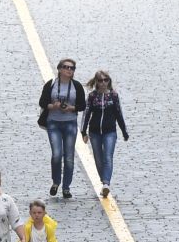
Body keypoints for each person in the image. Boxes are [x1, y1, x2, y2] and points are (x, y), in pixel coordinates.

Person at [37, 58, 85, 200]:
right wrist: (54, 106)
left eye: (72, 68)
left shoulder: (76, 86)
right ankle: (56, 182)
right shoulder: (51, 84)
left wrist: (71, 108)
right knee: (57, 154)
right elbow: (42, 102)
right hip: (54, 123)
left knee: (69, 157)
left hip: (70, 123)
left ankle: (66, 187)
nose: (69, 70)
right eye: (66, 67)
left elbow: (82, 105)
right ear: (59, 69)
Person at [81, 71, 130, 198]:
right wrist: (83, 131)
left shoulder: (113, 96)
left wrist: (124, 131)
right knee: (98, 158)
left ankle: (106, 184)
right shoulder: (92, 96)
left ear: (109, 81)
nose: (103, 83)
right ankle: (104, 182)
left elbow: (119, 113)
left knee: (108, 157)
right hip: (95, 132)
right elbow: (86, 114)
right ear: (96, 82)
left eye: (106, 80)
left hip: (110, 132)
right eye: (101, 80)